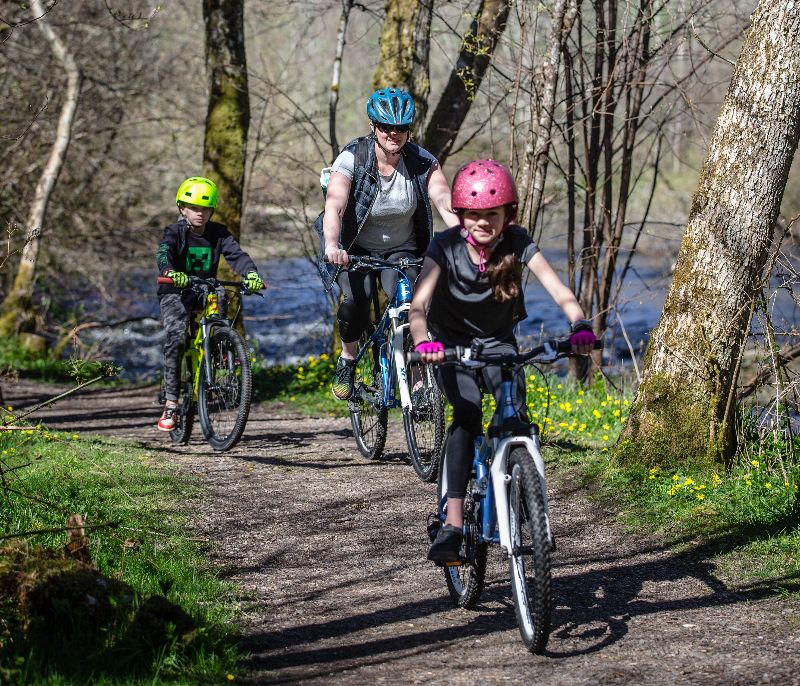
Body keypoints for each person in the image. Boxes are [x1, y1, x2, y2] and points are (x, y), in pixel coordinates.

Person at [408, 159, 597, 564]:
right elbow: (418, 306)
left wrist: (579, 322)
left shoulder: (517, 242)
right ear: (460, 214)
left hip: (499, 344)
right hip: (450, 347)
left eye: (491, 214)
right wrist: (424, 342)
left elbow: (556, 286)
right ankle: (454, 524)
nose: (482, 223)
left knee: (515, 415)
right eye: (473, 215)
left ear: (507, 214)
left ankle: (523, 488)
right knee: (468, 413)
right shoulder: (445, 247)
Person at [315, 87, 460, 401]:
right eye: (386, 127)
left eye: (402, 128)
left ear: (409, 129)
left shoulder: (422, 162)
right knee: (356, 300)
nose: (394, 134)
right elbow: (335, 206)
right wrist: (332, 244)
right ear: (373, 126)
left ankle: (421, 382)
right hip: (354, 248)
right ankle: (348, 358)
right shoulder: (353, 157)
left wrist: (470, 239)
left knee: (414, 304)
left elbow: (445, 202)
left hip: (402, 249)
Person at [155, 176, 265, 431]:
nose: (200, 213)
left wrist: (251, 274)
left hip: (205, 290)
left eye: (205, 208)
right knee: (177, 338)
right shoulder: (175, 231)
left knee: (222, 297)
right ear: (182, 208)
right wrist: (171, 272)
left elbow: (237, 255)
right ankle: (171, 402)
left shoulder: (219, 233)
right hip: (176, 291)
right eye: (194, 208)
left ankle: (220, 352)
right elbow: (164, 252)